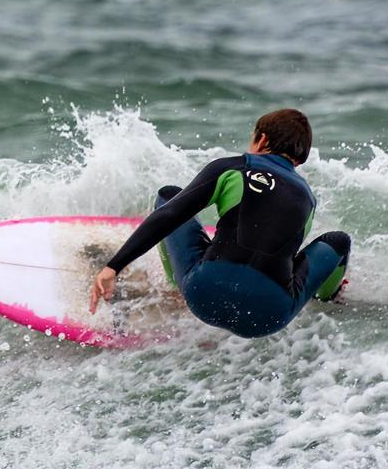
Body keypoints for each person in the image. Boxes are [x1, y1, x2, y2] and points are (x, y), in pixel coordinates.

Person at [87, 109, 350, 339]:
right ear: (300, 160)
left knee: (169, 196)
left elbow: (169, 215)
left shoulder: (233, 168)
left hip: (203, 295)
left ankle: (174, 288)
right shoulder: (308, 198)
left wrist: (113, 266)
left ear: (262, 140)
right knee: (338, 241)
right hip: (268, 317)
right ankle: (330, 297)